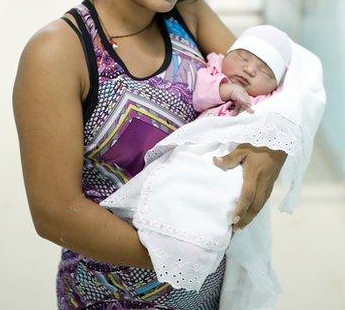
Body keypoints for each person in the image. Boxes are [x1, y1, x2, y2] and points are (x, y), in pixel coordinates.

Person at [12, 0, 289, 309]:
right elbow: (54, 213)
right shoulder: (60, 53)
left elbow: (268, 87)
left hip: (206, 290)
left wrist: (270, 149)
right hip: (113, 294)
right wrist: (182, 253)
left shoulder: (186, 14)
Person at [99, 26, 326, 309]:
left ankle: (202, 239)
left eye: (264, 71)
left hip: (231, 158)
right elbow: (201, 95)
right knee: (179, 181)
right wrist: (229, 90)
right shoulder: (215, 73)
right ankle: (168, 225)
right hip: (201, 147)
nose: (250, 70)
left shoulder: (270, 101)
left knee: (224, 201)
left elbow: (285, 116)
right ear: (227, 55)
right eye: (243, 57)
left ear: (274, 85)